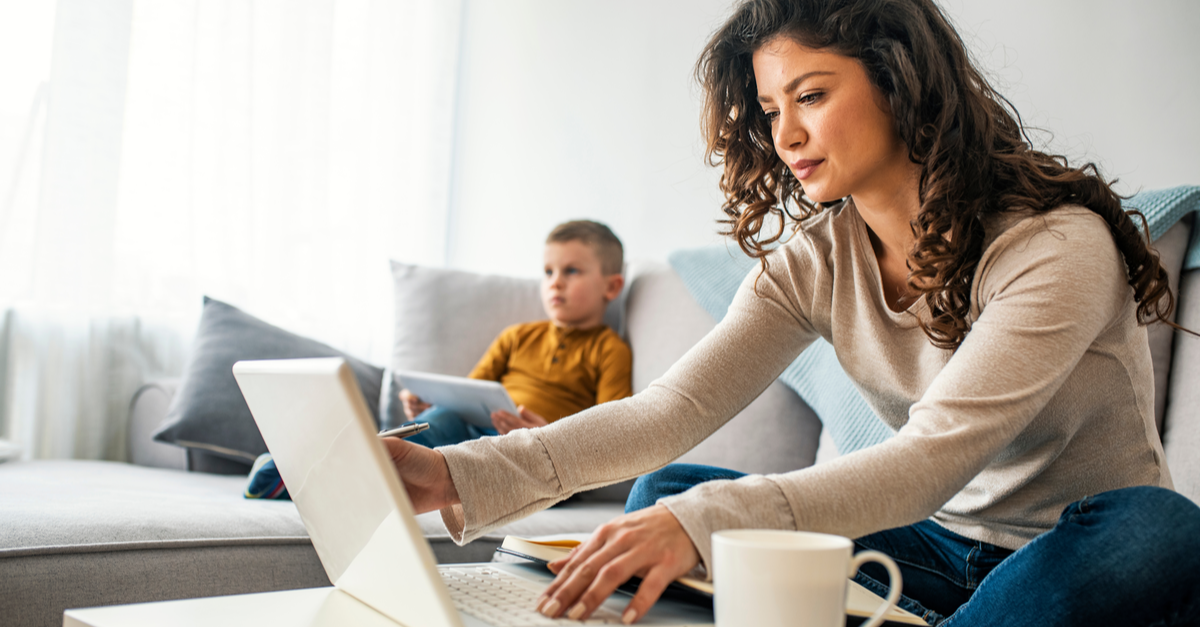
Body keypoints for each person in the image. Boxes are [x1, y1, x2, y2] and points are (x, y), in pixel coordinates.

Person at [382, 1, 1200, 625]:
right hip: (929, 548)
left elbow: (931, 458)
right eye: (772, 109)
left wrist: (702, 521)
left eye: (810, 95)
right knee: (671, 488)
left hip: (1075, 549)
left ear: (900, 81)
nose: (787, 134)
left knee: (1159, 529)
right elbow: (672, 410)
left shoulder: (1056, 245)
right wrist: (460, 471)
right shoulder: (816, 258)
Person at [400, 220, 632, 448]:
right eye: (548, 272)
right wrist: (429, 404)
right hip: (472, 428)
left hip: (535, 450)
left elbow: (611, 432)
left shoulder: (610, 350)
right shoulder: (517, 335)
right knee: (441, 417)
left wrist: (548, 438)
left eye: (571, 271)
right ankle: (394, 452)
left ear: (611, 287)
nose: (555, 282)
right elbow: (468, 393)